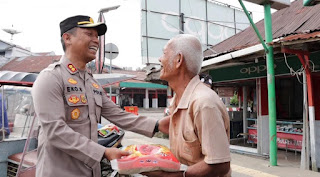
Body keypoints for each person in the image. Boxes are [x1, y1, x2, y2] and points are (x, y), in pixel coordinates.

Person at [32, 15, 164, 177]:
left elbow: (117, 114)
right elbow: (55, 130)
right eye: (89, 34)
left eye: (97, 36)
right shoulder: (51, 77)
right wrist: (103, 152)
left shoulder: (90, 82)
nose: (96, 40)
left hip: (90, 171)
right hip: (60, 171)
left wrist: (158, 125)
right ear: (67, 38)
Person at [143, 34, 231, 177]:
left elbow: (219, 164)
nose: (160, 59)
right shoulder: (178, 99)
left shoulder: (204, 103)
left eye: (164, 53)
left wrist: (169, 176)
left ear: (178, 60)